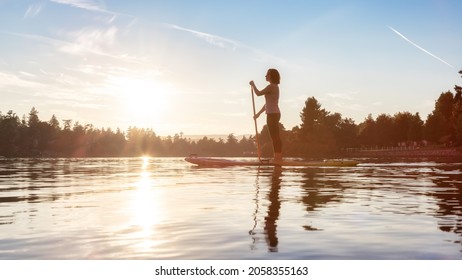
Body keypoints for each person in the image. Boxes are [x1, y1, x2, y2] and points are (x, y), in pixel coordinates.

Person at [250, 68, 283, 163]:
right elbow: (267, 104)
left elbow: (258, 93)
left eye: (267, 74)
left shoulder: (272, 86)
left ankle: (277, 158)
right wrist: (258, 114)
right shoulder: (273, 87)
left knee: (275, 137)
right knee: (275, 136)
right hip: (273, 113)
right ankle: (277, 157)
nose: (265, 76)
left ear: (271, 76)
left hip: (273, 114)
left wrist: (253, 85)